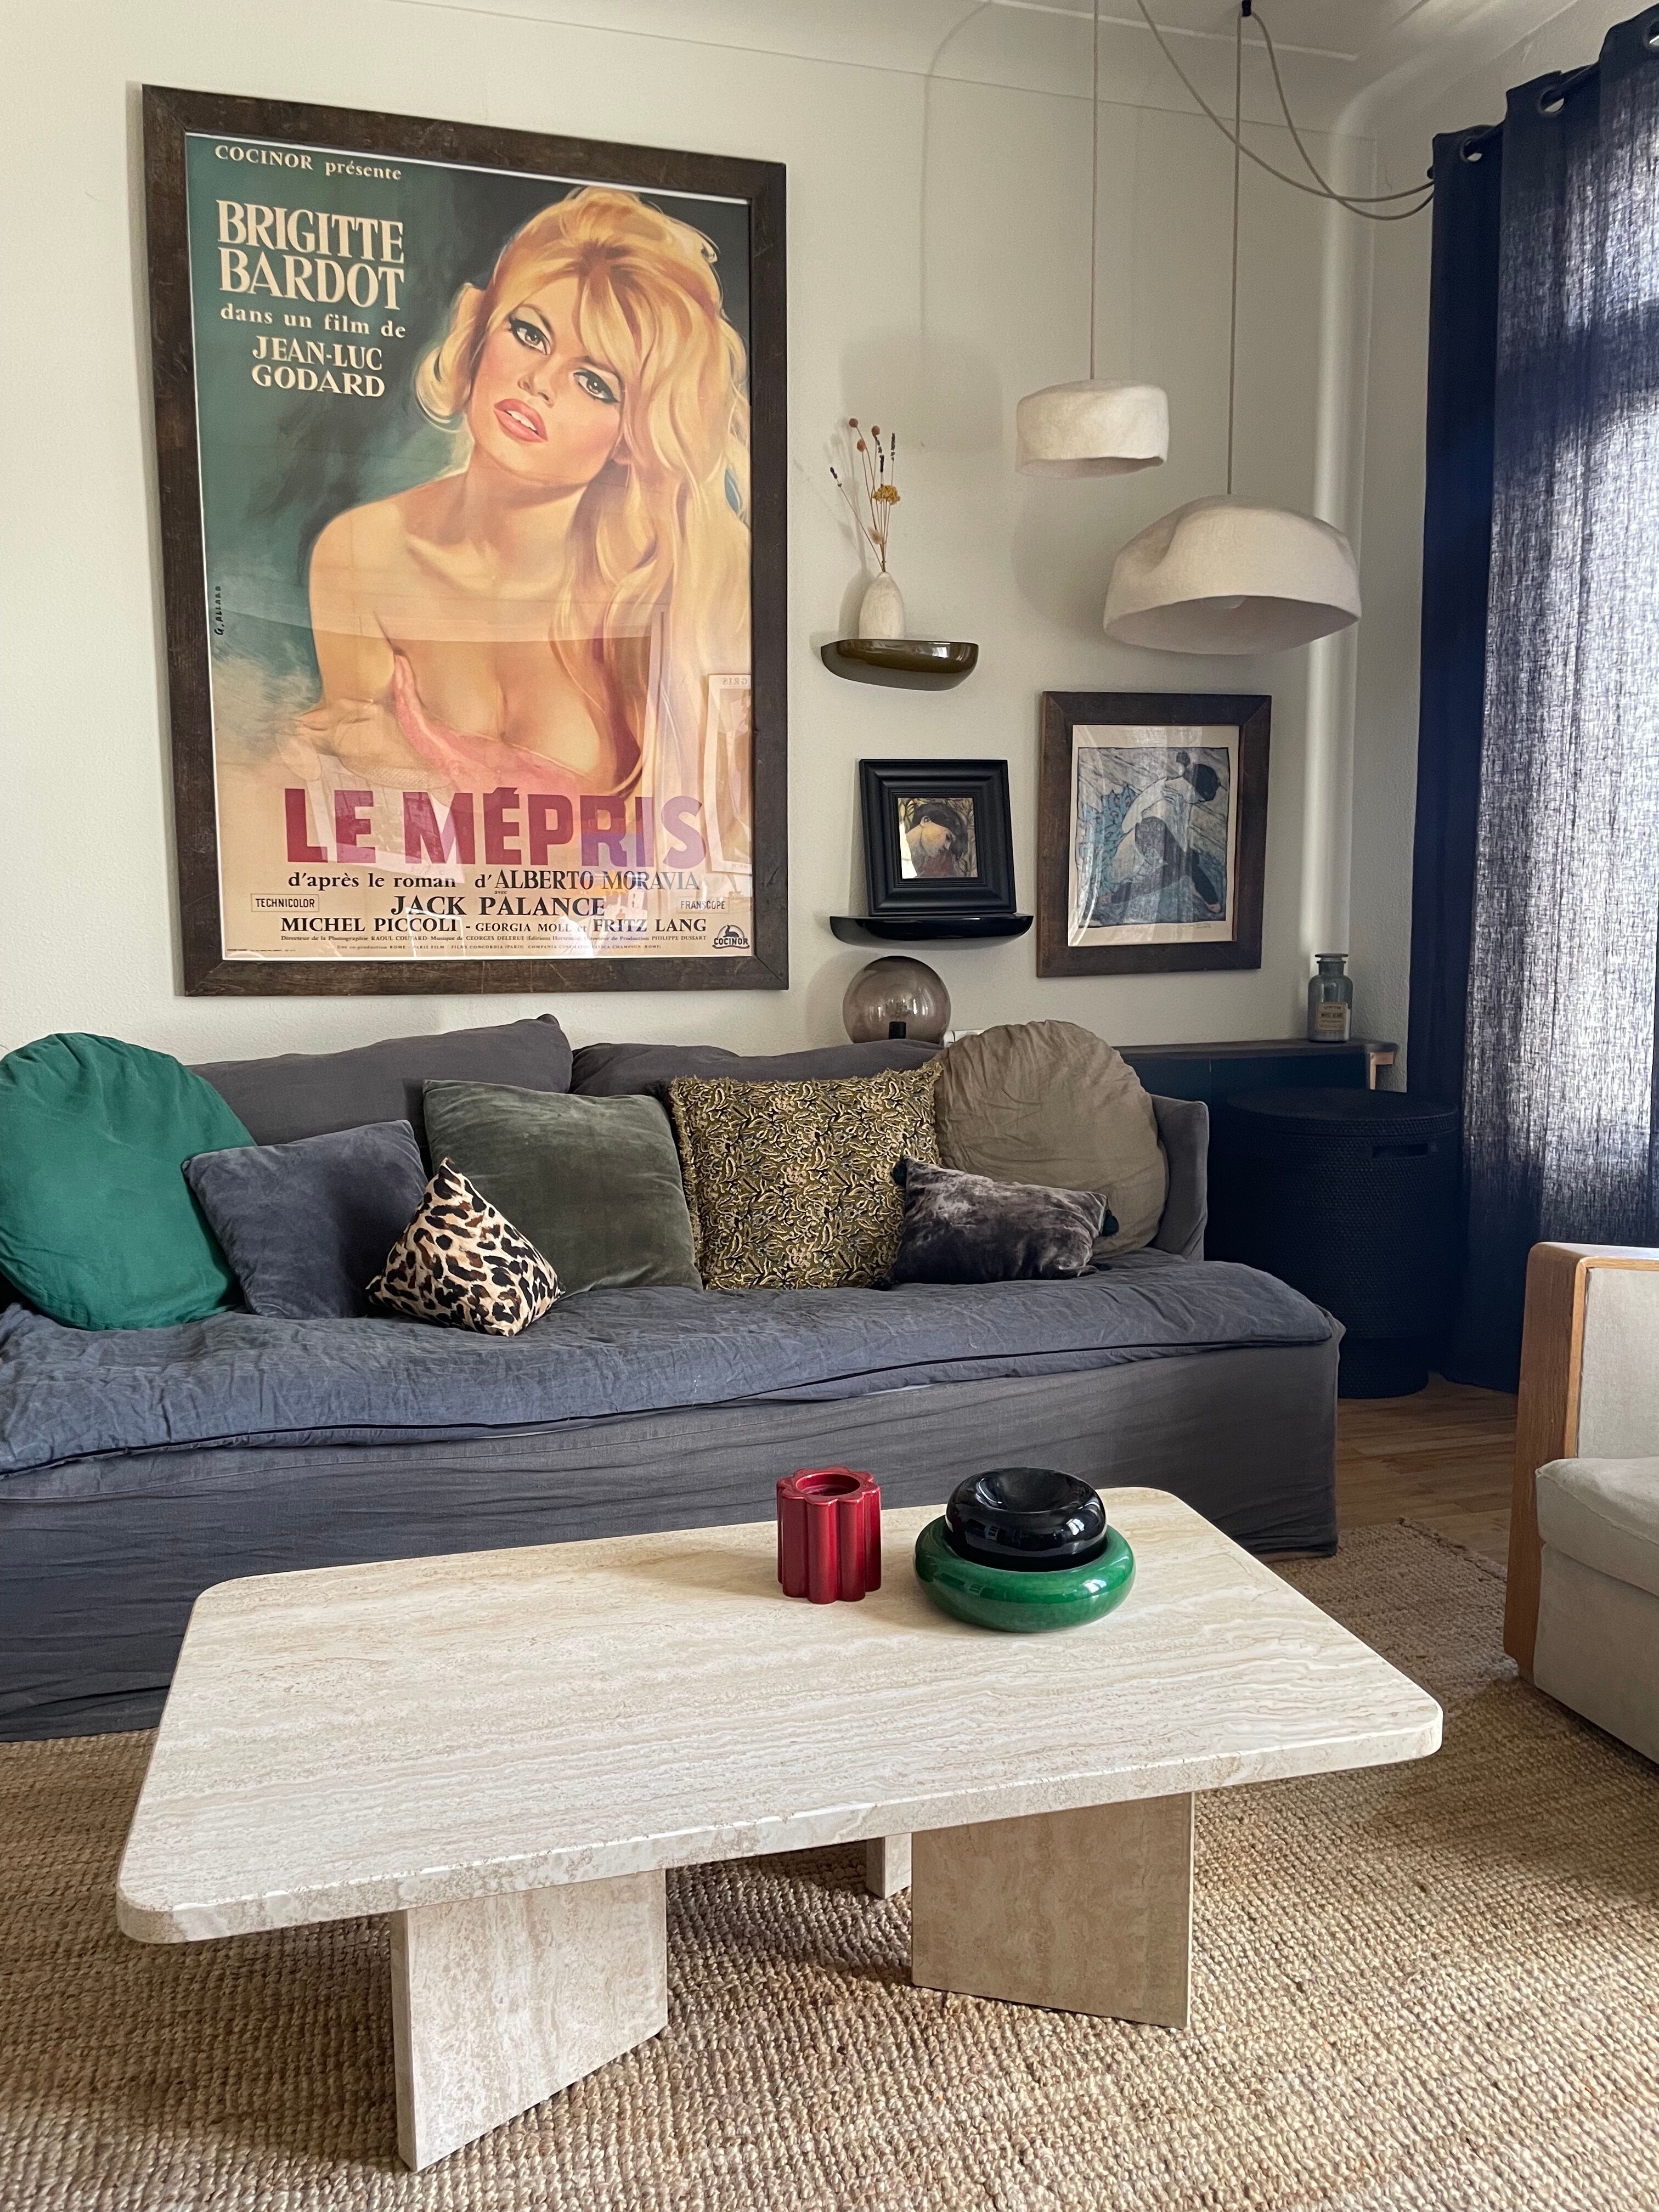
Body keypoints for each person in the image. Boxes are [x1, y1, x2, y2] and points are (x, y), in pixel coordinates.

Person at [283, 185, 752, 849]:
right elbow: (359, 829)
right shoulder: (363, 552)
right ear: (480, 333)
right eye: (529, 333)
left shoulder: (668, 590)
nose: (540, 381)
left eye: (595, 382)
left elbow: (712, 854)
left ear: (631, 435)